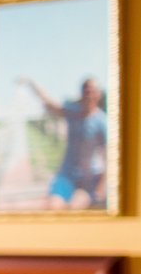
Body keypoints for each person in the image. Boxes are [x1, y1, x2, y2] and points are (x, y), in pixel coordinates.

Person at [21, 74, 109, 208]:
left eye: (91, 91)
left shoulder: (102, 122)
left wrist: (101, 186)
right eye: (85, 91)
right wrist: (32, 83)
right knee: (52, 206)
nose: (88, 95)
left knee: (77, 205)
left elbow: (109, 157)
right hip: (67, 174)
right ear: (81, 94)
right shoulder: (73, 113)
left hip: (90, 178)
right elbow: (49, 103)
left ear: (98, 94)